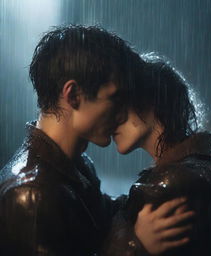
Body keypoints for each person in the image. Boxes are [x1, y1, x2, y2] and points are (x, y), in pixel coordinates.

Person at [0, 26, 193, 256]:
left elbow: (103, 222)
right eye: (115, 98)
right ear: (73, 95)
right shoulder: (32, 196)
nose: (123, 114)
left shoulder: (76, 165)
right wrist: (135, 245)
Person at [103, 54, 211, 255]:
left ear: (149, 102)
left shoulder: (173, 182)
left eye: (118, 107)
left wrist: (131, 242)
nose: (109, 119)